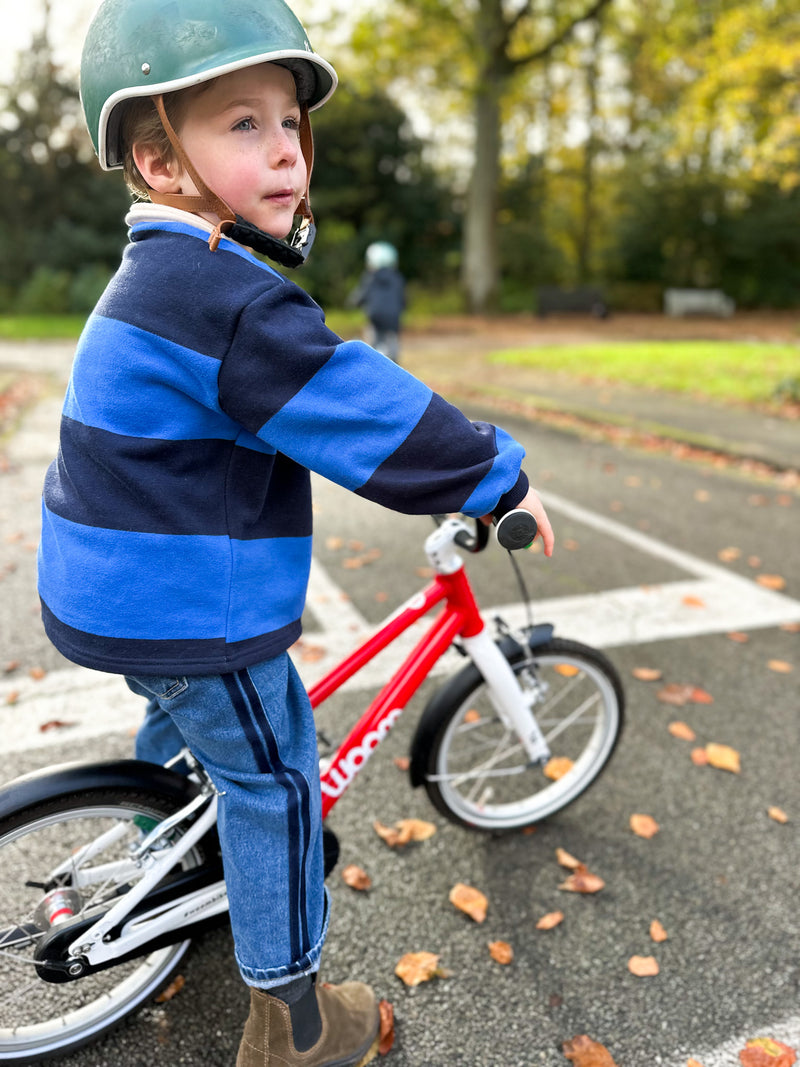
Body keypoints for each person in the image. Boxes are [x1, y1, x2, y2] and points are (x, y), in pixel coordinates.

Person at [36, 1, 555, 1064]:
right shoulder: (221, 297)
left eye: (288, 123)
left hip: (108, 589)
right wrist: (493, 476)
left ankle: (174, 859)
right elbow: (356, 402)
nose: (282, 150)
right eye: (241, 124)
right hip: (184, 608)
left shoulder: (162, 274)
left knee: (192, 736)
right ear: (156, 156)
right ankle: (296, 1025)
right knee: (273, 775)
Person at [350, 242, 406, 362]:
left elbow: (360, 295)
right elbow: (403, 299)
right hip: (393, 317)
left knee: (373, 338)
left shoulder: (370, 276)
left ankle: (372, 361)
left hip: (374, 316)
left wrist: (353, 302)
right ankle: (393, 361)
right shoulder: (397, 277)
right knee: (392, 339)